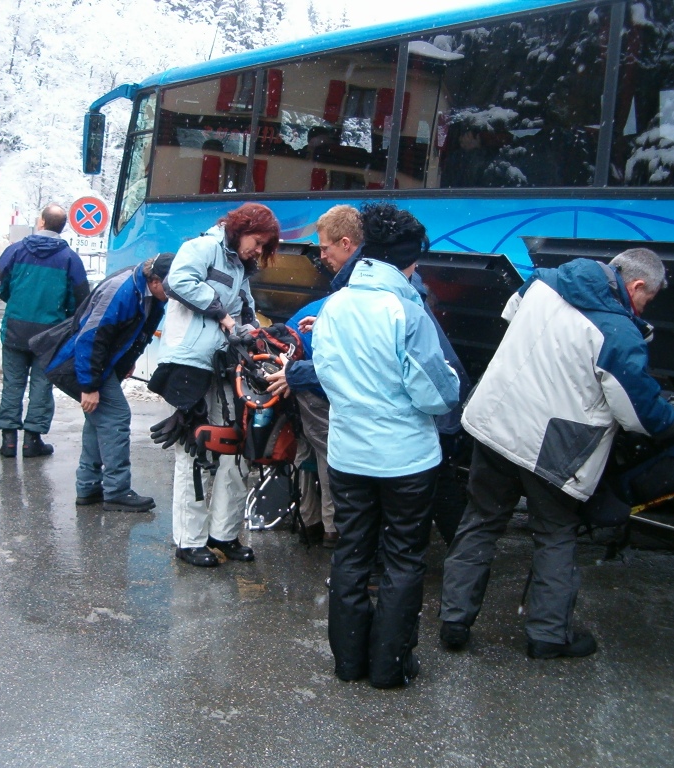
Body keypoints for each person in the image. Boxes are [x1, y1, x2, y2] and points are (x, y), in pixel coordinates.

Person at [438, 248, 674, 660]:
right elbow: (640, 416)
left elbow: (511, 318)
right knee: (554, 534)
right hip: (555, 446)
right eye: (648, 298)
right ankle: (548, 636)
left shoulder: (544, 281)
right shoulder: (618, 333)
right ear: (637, 285)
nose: (645, 307)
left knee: (480, 521)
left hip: (497, 420)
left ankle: (454, 621)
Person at [312, 203, 461, 688]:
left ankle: (348, 662)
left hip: (348, 455)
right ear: (408, 261)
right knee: (403, 558)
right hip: (406, 460)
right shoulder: (407, 311)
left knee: (352, 553)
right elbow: (436, 395)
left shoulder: (334, 306)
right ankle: (389, 666)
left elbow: (326, 376)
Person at [149, 203, 279, 568]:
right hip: (190, 363)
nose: (258, 250)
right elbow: (178, 282)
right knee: (196, 450)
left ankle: (223, 533)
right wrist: (222, 314)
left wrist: (255, 333)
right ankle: (189, 541)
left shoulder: (239, 266)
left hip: (225, 364)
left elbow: (245, 310)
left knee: (233, 447)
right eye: (257, 242)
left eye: (264, 246)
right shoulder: (203, 247)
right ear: (241, 229)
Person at [30, 253, 173, 511]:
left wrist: (127, 361)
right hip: (78, 363)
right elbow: (91, 337)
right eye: (170, 288)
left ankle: (88, 487)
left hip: (98, 364)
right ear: (154, 281)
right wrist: (89, 386)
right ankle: (117, 491)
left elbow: (136, 332)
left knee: (98, 422)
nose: (174, 294)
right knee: (116, 416)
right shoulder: (122, 291)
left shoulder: (149, 292)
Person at [267, 205, 364, 548]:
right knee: (328, 449)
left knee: (310, 444)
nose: (321, 257)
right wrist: (296, 374)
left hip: (301, 366)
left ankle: (310, 521)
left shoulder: (351, 282)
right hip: (309, 375)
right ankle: (331, 528)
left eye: (324, 248)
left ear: (346, 243)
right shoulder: (364, 278)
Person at [0, 204, 89, 459]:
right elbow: (81, 299)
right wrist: (63, 317)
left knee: (13, 383)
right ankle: (32, 440)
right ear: (62, 227)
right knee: (41, 386)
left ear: (41, 222)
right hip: (50, 335)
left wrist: (15, 300)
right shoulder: (70, 259)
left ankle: (8, 440)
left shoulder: (16, 250)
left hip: (15, 329)